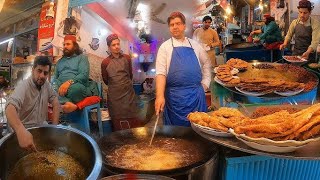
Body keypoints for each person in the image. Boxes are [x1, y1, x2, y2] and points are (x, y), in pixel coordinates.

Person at [155, 12, 211, 126]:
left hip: (196, 97)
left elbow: (206, 63)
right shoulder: (164, 47)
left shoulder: (195, 45)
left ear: (184, 26)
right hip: (174, 99)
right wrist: (160, 96)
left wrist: (205, 83)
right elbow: (160, 73)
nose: (175, 27)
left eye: (178, 23)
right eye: (172, 24)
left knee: (199, 133)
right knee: (176, 137)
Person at [5, 56, 60, 151]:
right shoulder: (24, 86)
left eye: (45, 73)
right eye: (39, 71)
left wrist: (54, 128)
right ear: (32, 70)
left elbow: (55, 102)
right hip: (24, 129)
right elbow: (10, 108)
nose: (42, 76)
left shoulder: (46, 85)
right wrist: (20, 130)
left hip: (40, 126)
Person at [101, 34, 142, 131]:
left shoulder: (127, 58)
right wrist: (117, 86)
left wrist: (125, 85)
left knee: (134, 125)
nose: (116, 47)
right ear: (109, 47)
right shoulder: (105, 62)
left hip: (129, 96)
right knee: (119, 127)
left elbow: (130, 75)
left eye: (118, 44)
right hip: (115, 99)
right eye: (113, 45)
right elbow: (106, 80)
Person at [53, 35, 90, 113]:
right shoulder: (60, 62)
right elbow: (55, 77)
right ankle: (68, 104)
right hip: (60, 85)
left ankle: (61, 102)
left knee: (75, 90)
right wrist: (57, 84)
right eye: (64, 44)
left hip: (75, 84)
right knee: (50, 87)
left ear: (75, 46)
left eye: (68, 44)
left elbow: (84, 74)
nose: (65, 46)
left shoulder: (82, 58)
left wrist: (69, 82)